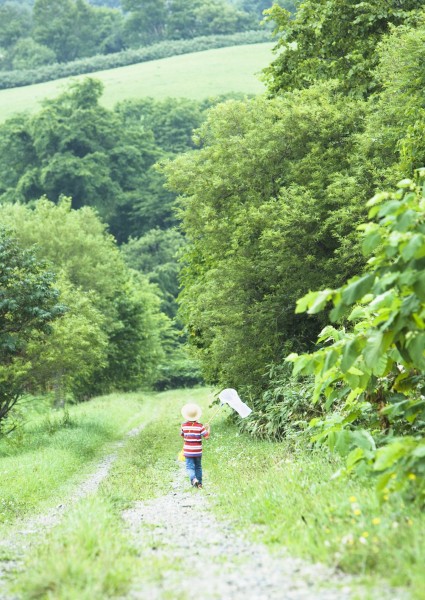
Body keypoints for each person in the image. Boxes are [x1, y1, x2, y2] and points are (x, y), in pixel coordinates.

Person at [180, 402, 210, 489]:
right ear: (197, 415)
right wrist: (208, 428)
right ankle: (200, 484)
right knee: (198, 467)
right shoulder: (200, 426)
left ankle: (193, 479)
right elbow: (207, 437)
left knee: (190, 467)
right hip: (197, 451)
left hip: (188, 451)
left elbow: (182, 435)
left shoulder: (184, 426)